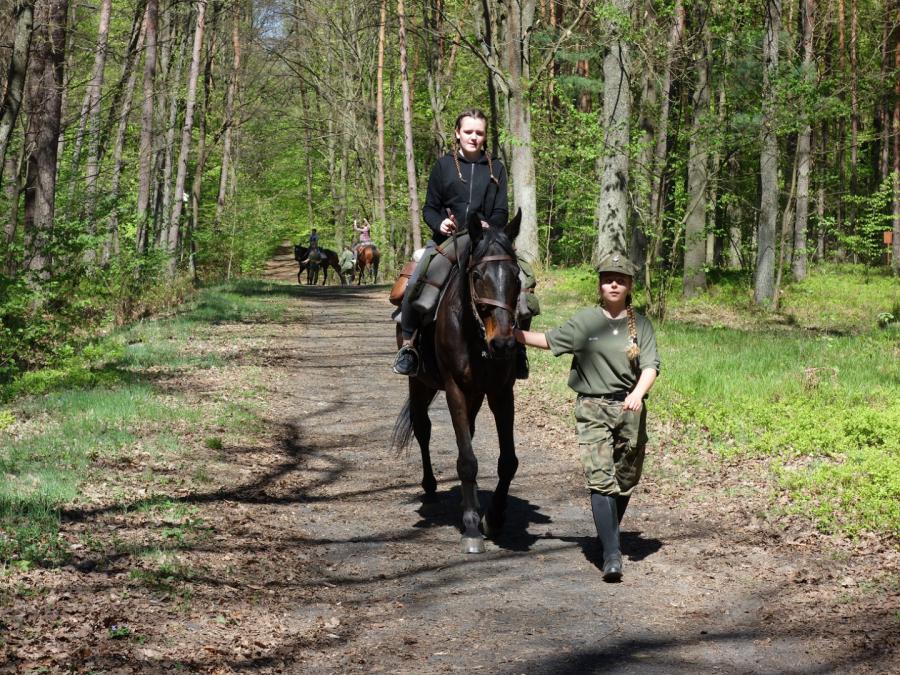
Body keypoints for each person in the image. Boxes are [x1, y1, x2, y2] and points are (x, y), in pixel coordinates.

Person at [514, 254, 660, 582]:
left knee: (625, 479)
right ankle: (612, 555)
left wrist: (637, 394)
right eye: (608, 279)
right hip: (592, 408)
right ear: (600, 285)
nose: (613, 284)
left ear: (629, 286)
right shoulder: (585, 321)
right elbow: (549, 340)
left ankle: (607, 535)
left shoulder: (642, 325)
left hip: (630, 410)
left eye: (620, 280)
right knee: (600, 478)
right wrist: (511, 334)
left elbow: (651, 365)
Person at [392, 108, 509, 376]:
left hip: (484, 242)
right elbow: (430, 208)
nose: (473, 137)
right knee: (416, 279)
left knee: (522, 281)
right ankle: (409, 346)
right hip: (446, 241)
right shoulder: (443, 166)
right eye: (468, 131)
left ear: (485, 136)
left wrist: (489, 226)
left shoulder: (497, 168)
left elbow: (501, 211)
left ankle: (518, 350)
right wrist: (440, 223)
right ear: (457, 133)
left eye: (479, 132)